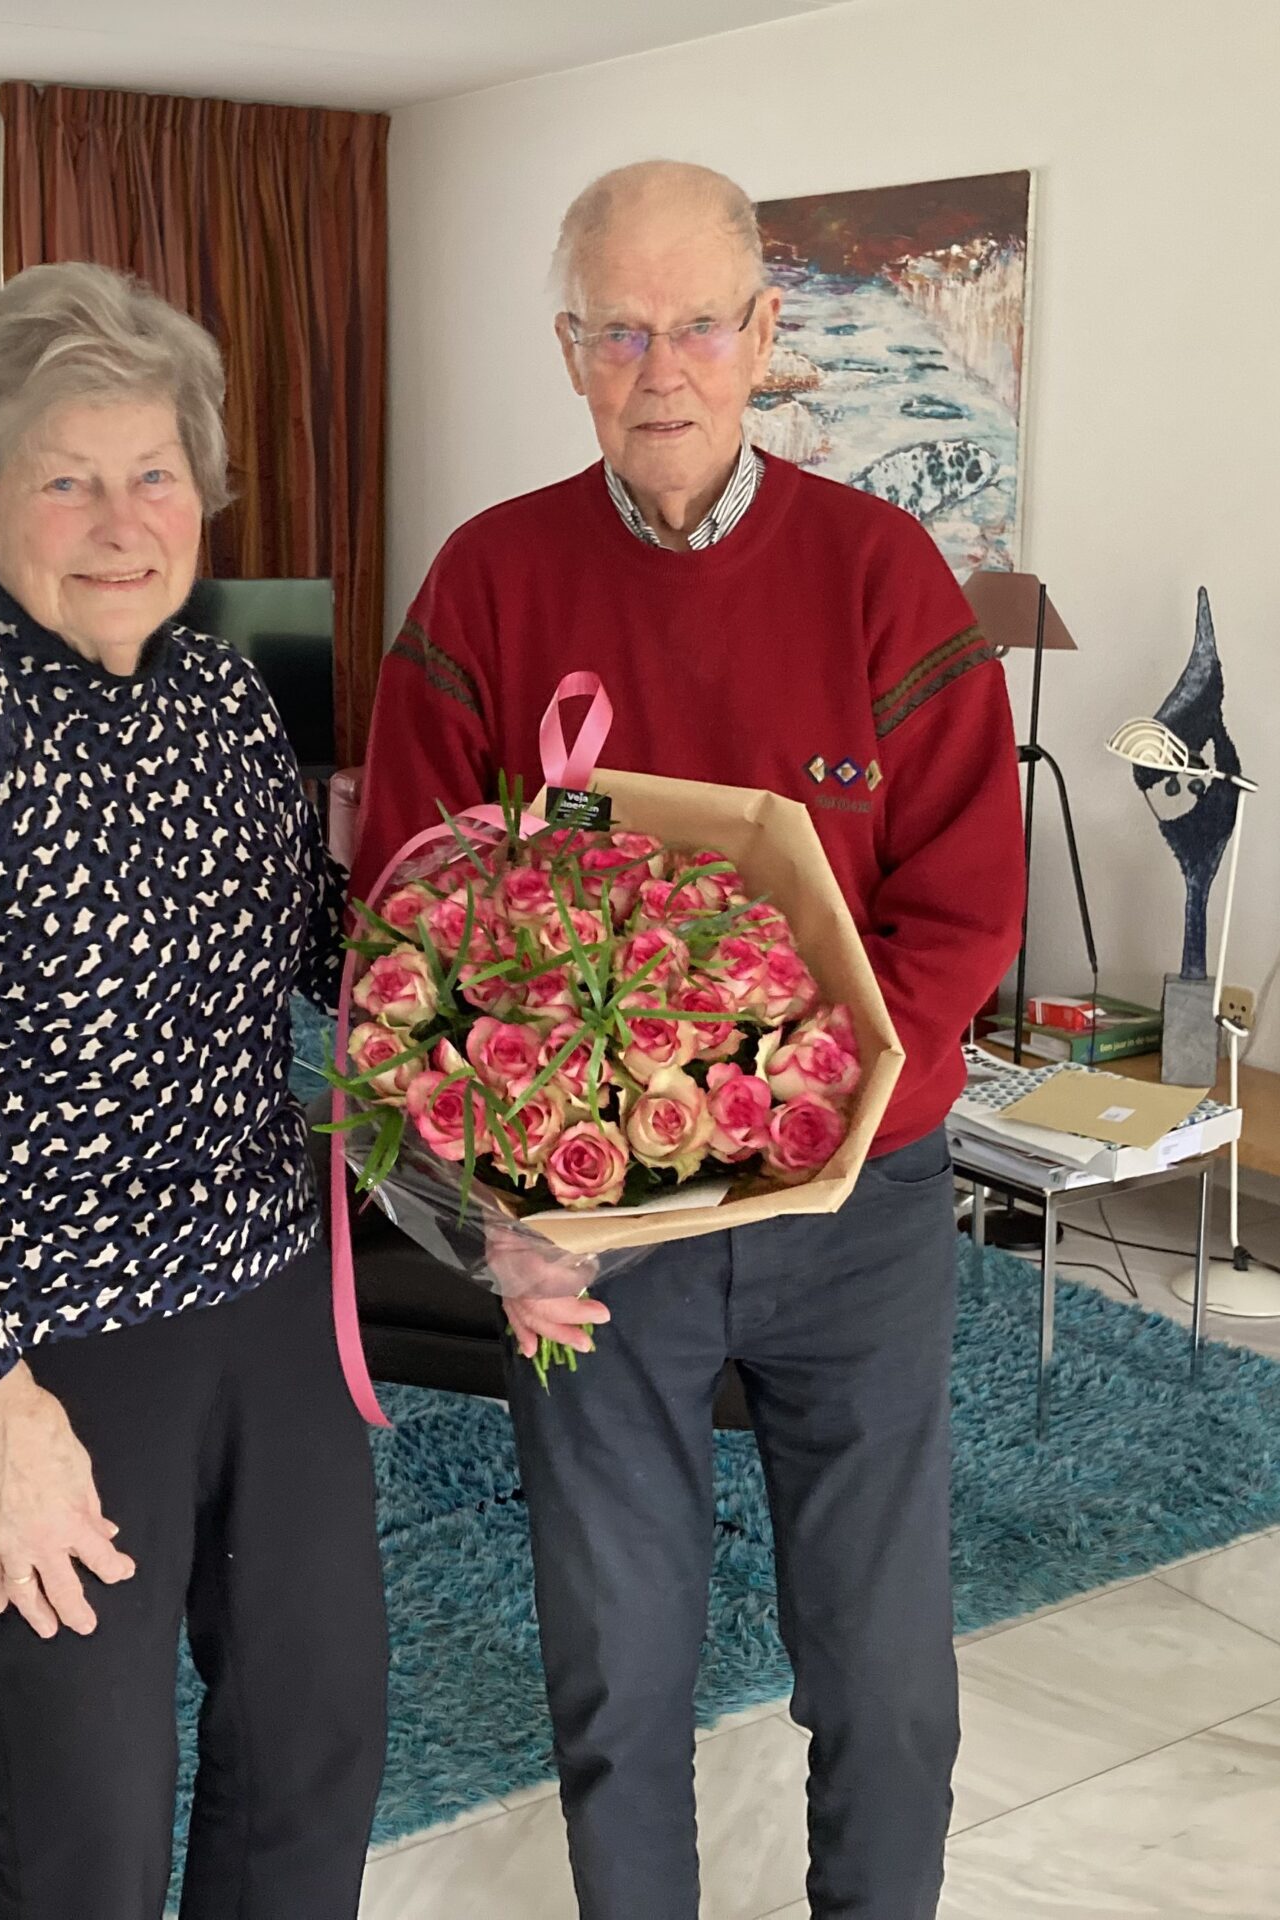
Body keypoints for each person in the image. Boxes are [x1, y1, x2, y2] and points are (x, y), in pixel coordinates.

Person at [350, 161, 1025, 1920]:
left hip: (858, 1216)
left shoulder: (887, 578)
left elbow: (959, 918)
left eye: (702, 322)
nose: (665, 367)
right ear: (570, 350)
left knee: (882, 1676)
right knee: (613, 1667)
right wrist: (484, 1204)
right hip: (595, 1239)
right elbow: (403, 916)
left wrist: (825, 1111)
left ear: (767, 335)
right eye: (621, 329)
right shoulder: (489, 582)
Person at [0, 262, 386, 1920]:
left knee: (316, 1741)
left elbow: (310, 951)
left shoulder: (225, 691)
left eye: (155, 473)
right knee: (90, 1821)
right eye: (66, 478)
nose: (122, 521)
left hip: (267, 1294)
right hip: (43, 1342)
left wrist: (511, 979)